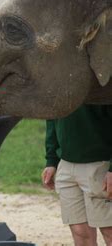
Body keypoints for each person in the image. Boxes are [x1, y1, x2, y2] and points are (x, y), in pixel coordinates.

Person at [42, 104, 112, 246]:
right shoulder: (56, 84)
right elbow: (52, 116)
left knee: (109, 231)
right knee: (80, 233)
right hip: (66, 165)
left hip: (100, 165)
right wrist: (51, 160)